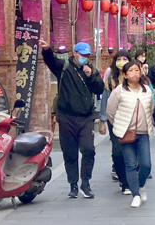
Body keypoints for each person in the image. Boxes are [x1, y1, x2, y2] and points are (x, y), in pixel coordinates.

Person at [41, 40, 104, 199]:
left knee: (88, 149)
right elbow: (50, 60)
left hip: (86, 117)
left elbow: (99, 89)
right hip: (67, 117)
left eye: (87, 55)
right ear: (75, 53)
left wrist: (90, 77)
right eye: (82, 54)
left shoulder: (91, 70)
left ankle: (86, 182)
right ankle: (73, 184)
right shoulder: (63, 67)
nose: (85, 58)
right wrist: (47, 50)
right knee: (69, 152)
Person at [106, 61, 155, 208]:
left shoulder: (146, 90)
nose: (134, 73)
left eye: (137, 70)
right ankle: (136, 195)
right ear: (125, 75)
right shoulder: (119, 91)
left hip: (143, 132)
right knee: (131, 164)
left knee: (146, 164)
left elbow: (151, 108)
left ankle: (141, 185)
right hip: (125, 133)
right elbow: (110, 111)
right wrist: (119, 125)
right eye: (131, 70)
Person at [99, 50, 131, 194]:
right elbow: (105, 100)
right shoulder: (111, 79)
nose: (122, 61)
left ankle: (130, 180)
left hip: (132, 120)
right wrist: (102, 120)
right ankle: (122, 179)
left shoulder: (135, 77)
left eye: (125, 58)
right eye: (119, 58)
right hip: (114, 120)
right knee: (117, 152)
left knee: (131, 150)